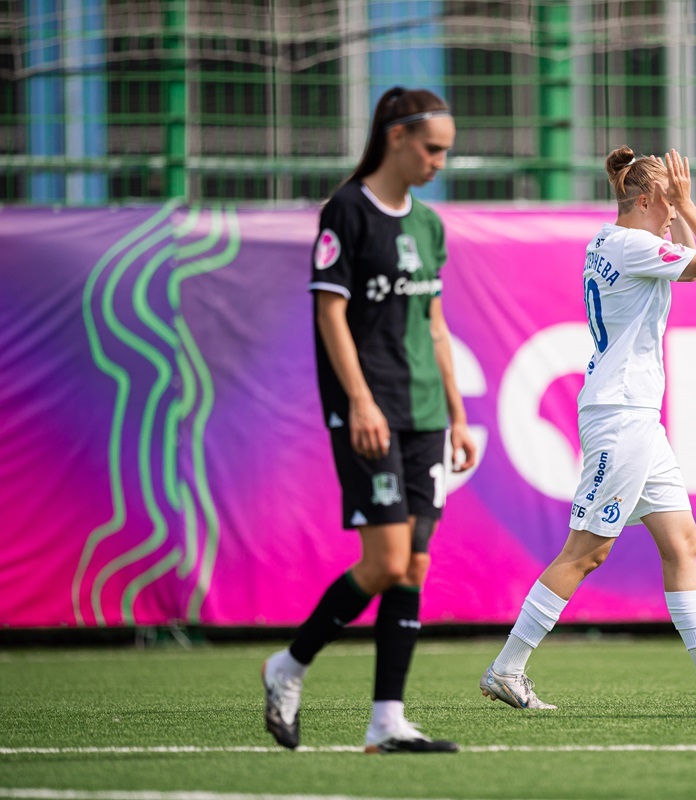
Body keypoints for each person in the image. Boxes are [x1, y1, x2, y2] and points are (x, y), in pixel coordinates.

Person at [478, 146, 696, 710]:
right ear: (645, 199)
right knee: (587, 552)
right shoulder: (634, 245)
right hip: (623, 415)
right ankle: (507, 667)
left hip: (636, 413)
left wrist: (678, 205)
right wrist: (692, 207)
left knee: (680, 539)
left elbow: (690, 266)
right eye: (667, 204)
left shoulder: (607, 241)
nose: (672, 215)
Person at [262, 86, 477, 753]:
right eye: (432, 148)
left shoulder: (430, 225)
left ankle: (387, 720)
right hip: (370, 410)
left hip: (425, 416)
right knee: (384, 561)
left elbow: (435, 325)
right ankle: (287, 666)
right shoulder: (347, 211)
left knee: (413, 565)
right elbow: (331, 312)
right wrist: (357, 400)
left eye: (446, 150)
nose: (440, 161)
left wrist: (459, 416)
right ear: (396, 137)